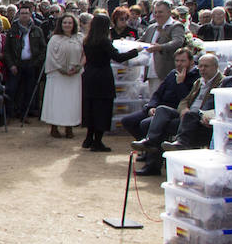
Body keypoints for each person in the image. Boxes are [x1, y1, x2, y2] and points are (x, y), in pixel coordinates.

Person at [123, 49, 199, 175]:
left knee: (146, 124)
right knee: (128, 121)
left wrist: (180, 83)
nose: (179, 64)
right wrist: (151, 107)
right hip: (158, 108)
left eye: (183, 61)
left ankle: (152, 161)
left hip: (174, 112)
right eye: (177, 61)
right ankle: (148, 149)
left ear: (191, 62)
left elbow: (186, 100)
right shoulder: (172, 73)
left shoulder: (195, 77)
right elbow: (158, 93)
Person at [79, 14, 141, 152]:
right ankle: (97, 141)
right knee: (102, 109)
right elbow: (118, 57)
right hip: (103, 76)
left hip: (89, 75)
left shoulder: (87, 40)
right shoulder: (104, 41)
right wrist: (136, 51)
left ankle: (89, 138)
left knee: (91, 107)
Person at [42, 14, 83, 138]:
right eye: (65, 23)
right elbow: (50, 57)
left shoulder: (79, 38)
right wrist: (61, 69)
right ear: (61, 24)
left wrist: (78, 67)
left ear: (74, 24)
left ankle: (69, 127)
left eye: (70, 23)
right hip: (57, 74)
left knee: (71, 102)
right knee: (57, 101)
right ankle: (54, 127)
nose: (67, 25)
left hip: (74, 74)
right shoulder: (54, 39)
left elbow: (84, 54)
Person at [2, 5, 46, 120]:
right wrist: (11, 64)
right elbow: (7, 50)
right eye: (22, 13)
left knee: (29, 90)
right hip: (16, 64)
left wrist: (36, 63)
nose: (24, 15)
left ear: (30, 15)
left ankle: (25, 113)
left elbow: (43, 49)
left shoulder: (37, 30)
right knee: (12, 89)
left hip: (31, 64)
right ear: (18, 15)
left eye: (27, 13)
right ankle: (10, 113)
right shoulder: (13, 30)